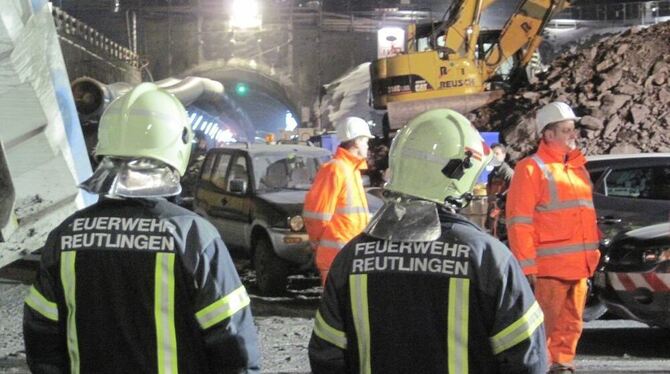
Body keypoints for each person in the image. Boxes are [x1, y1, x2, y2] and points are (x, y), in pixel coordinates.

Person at [23, 83, 261, 373]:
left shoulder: (65, 236)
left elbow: (42, 341)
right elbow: (234, 347)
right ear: (177, 147)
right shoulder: (193, 237)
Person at [309, 109, 547, 374]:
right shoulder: (488, 257)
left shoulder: (350, 258)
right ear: (459, 174)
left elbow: (326, 356)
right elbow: (527, 358)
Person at [506, 101, 600, 374]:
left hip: (578, 267)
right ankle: (540, 367)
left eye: (573, 130)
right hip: (549, 269)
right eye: (566, 130)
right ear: (548, 134)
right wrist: (527, 264)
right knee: (541, 328)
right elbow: (519, 221)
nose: (574, 135)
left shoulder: (577, 169)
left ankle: (561, 365)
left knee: (571, 324)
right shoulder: (531, 168)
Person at [303, 116, 374, 285]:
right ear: (356, 141)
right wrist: (318, 245)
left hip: (350, 255)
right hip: (336, 258)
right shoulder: (335, 169)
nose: (368, 145)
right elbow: (316, 216)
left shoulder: (351, 170)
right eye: (365, 141)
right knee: (337, 309)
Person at [485, 143, 514, 238]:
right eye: (492, 154)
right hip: (494, 216)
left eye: (497, 154)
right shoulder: (492, 174)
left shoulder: (507, 172)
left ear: (504, 155)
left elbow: (514, 190)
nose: (494, 157)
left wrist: (501, 200)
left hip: (503, 217)